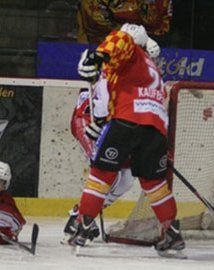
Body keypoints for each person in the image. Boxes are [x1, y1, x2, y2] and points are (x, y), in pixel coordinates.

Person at [70, 23, 184, 256]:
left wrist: (99, 56)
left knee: (100, 176)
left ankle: (82, 228)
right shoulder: (154, 70)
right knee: (155, 184)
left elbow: (120, 40)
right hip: (155, 129)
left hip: (126, 121)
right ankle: (172, 232)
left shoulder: (129, 51)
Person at [62, 37, 162, 244]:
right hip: (88, 120)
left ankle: (81, 215)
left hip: (109, 124)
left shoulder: (139, 77)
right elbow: (106, 106)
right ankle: (79, 220)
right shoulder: (117, 68)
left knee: (125, 179)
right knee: (108, 172)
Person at [0, 161, 26, 245]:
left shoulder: (6, 201)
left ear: (5, 184)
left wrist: (10, 233)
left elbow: (18, 223)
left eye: (0, 181)